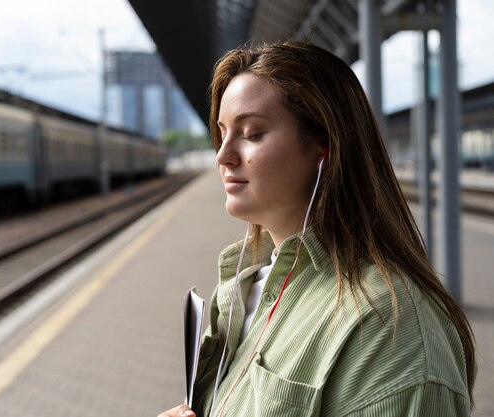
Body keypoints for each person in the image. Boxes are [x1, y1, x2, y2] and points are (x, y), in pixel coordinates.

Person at [158, 41, 475, 417]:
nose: (223, 155)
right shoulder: (246, 291)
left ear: (324, 145)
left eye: (252, 133)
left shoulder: (388, 329)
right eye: (223, 132)